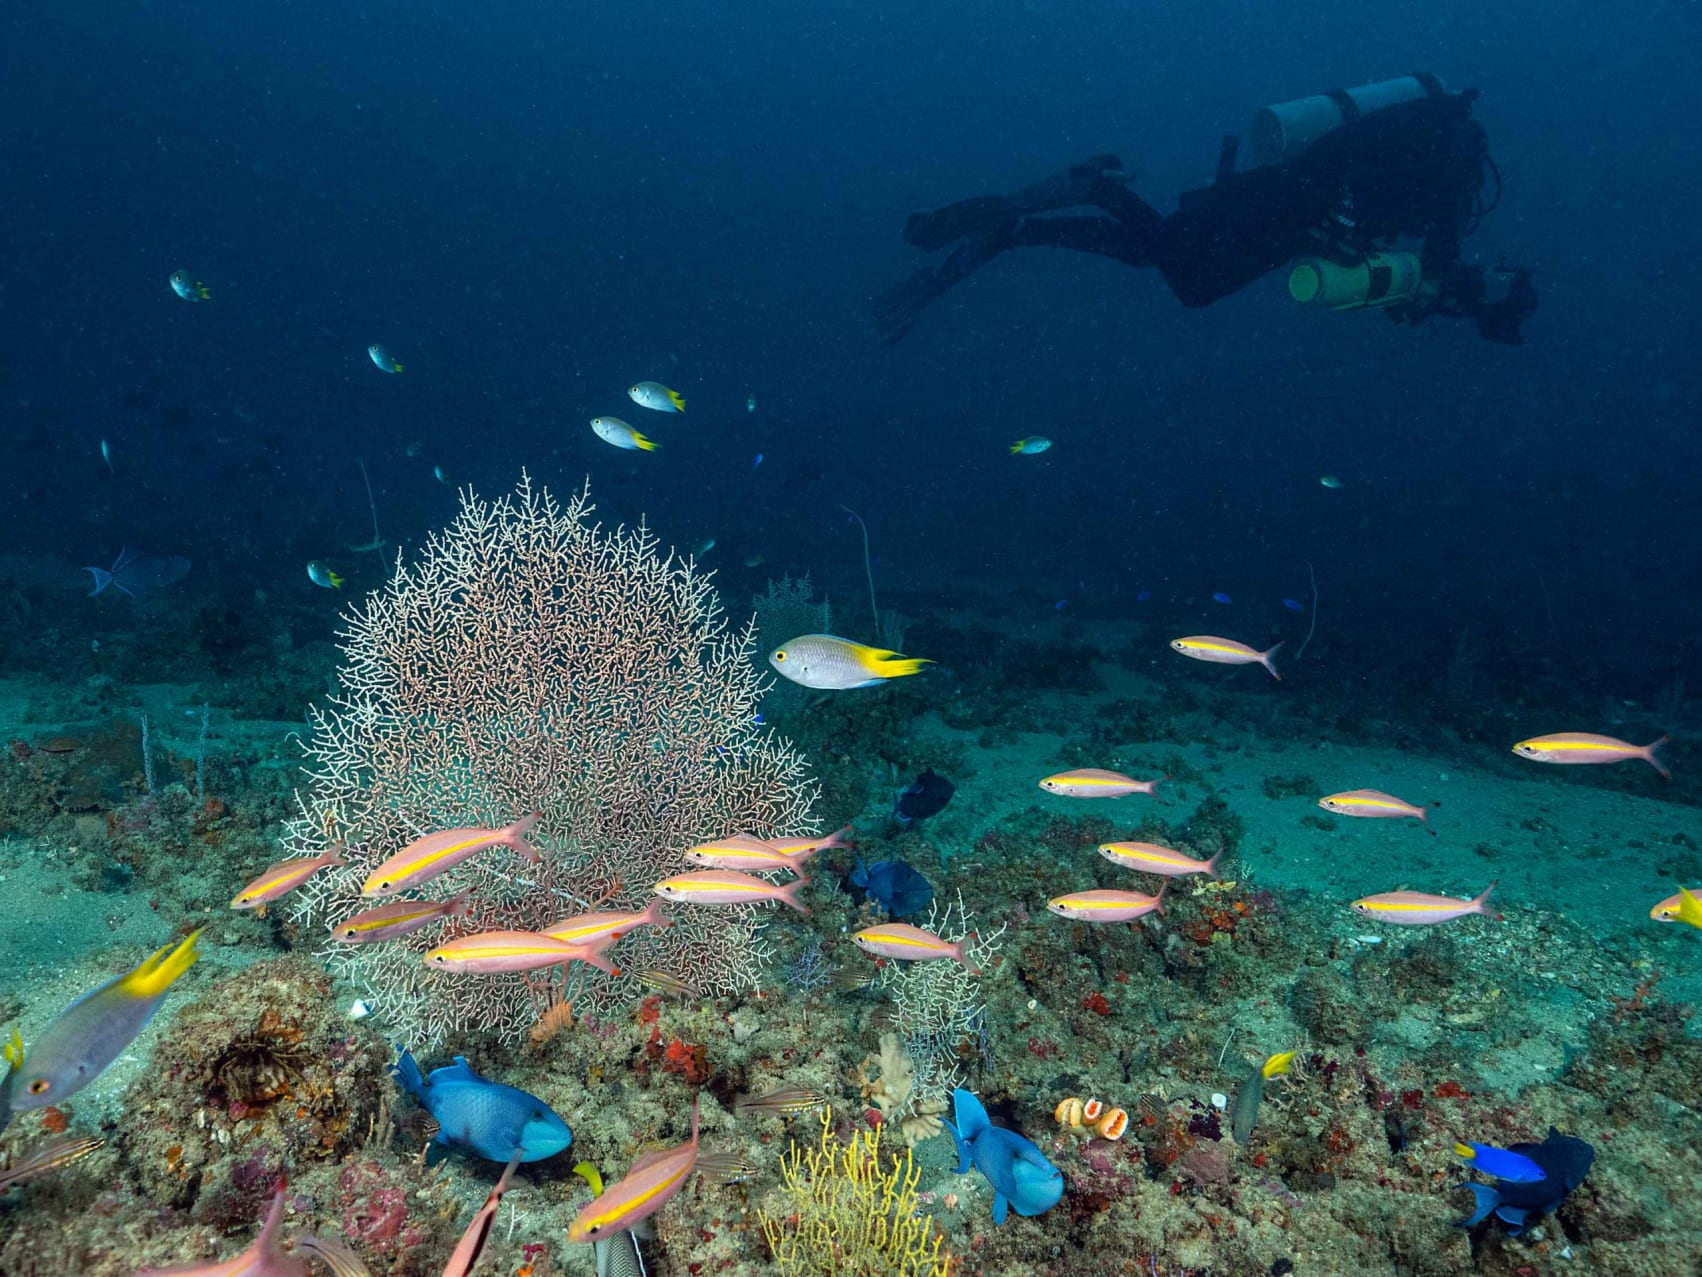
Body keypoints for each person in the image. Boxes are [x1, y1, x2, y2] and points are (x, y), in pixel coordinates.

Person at [874, 80, 1536, 345]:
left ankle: (1060, 208)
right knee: (1172, 261)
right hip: (1281, 204)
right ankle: (1076, 198)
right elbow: (1438, 259)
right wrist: (1470, 296)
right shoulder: (1450, 161)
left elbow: (1377, 215)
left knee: (1176, 266)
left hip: (1278, 201)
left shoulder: (1427, 141)